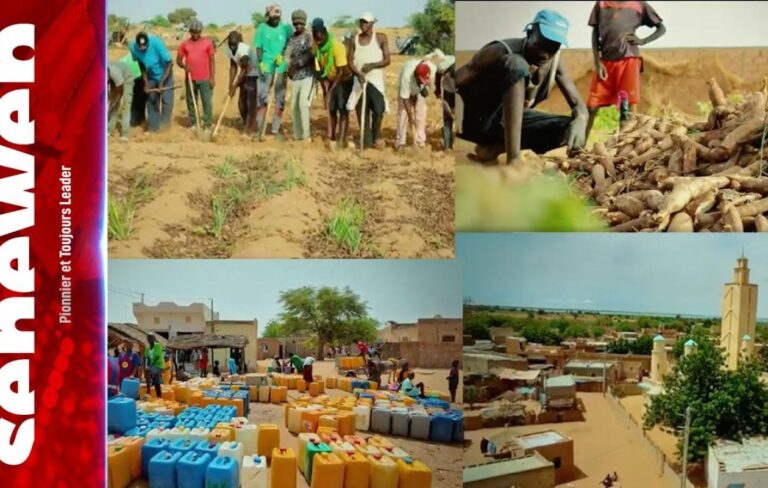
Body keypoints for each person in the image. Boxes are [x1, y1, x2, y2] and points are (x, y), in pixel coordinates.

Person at [456, 9, 588, 164]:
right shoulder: (500, 50)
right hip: (477, 123)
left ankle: (495, 149)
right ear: (529, 33)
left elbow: (579, 105)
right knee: (516, 64)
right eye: (541, 44)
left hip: (504, 128)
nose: (545, 54)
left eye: (553, 47)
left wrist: (580, 119)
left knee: (566, 127)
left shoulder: (554, 62)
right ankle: (513, 160)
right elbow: (457, 79)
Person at [586, 1, 665, 138]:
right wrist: (597, 62)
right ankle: (578, 146)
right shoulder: (601, 4)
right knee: (592, 106)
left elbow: (661, 28)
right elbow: (595, 33)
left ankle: (624, 149)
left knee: (626, 108)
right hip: (605, 62)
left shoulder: (639, 4)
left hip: (629, 60)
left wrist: (643, 41)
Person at [347, 12, 390, 149]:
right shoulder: (355, 40)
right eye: (361, 22)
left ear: (372, 23)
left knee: (378, 109)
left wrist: (372, 65)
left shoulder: (380, 38)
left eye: (365, 22)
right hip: (360, 82)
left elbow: (387, 60)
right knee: (362, 113)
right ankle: (367, 138)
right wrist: (357, 74)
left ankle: (376, 133)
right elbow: (350, 61)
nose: (363, 25)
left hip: (375, 81)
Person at [312, 17, 354, 149]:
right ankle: (331, 136)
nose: (318, 41)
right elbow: (319, 68)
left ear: (324, 34)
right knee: (330, 108)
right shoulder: (317, 47)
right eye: (316, 39)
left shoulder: (337, 47)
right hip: (330, 78)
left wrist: (330, 91)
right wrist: (325, 89)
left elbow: (341, 72)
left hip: (344, 79)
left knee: (342, 108)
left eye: (320, 38)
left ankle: (341, 139)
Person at [253, 4, 293, 136]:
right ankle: (260, 127)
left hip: (280, 68)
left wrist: (284, 56)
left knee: (279, 99)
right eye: (273, 17)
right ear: (268, 17)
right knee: (262, 97)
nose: (276, 20)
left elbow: (290, 44)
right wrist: (261, 62)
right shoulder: (262, 28)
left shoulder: (286, 28)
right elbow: (258, 47)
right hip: (266, 68)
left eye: (278, 17)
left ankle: (275, 128)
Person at [130, 32, 175, 132]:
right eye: (140, 47)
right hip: (151, 75)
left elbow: (170, 63)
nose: (142, 49)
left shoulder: (156, 43)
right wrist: (145, 82)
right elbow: (141, 65)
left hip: (165, 74)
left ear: (148, 43)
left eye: (145, 46)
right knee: (152, 101)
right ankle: (153, 128)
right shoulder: (132, 47)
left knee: (167, 102)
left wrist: (162, 81)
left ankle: (164, 128)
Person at [177, 19, 216, 130]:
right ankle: (194, 123)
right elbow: (179, 60)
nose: (195, 34)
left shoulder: (207, 43)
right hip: (190, 78)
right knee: (191, 101)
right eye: (193, 32)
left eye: (197, 32)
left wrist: (212, 77)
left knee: (206, 102)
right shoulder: (185, 44)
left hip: (205, 78)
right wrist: (184, 67)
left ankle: (207, 124)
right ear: (190, 31)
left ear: (201, 32)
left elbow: (212, 60)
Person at [286, 9, 315, 141]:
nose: (298, 26)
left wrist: (297, 63)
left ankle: (306, 135)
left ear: (304, 23)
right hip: (295, 77)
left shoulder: (309, 36)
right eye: (295, 24)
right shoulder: (292, 38)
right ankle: (297, 135)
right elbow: (287, 54)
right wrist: (286, 64)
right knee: (293, 106)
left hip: (308, 75)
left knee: (303, 104)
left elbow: (310, 54)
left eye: (300, 24)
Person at [227, 31, 261, 135]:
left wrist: (235, 86)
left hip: (253, 74)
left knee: (250, 103)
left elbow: (243, 69)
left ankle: (250, 128)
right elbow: (233, 66)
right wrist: (230, 85)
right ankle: (249, 124)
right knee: (241, 104)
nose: (232, 47)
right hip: (244, 75)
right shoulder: (229, 50)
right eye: (230, 44)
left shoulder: (243, 49)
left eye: (234, 45)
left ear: (239, 42)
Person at [396, 59, 434, 149]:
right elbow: (405, 99)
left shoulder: (431, 68)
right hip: (406, 89)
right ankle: (401, 142)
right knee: (403, 114)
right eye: (420, 80)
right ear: (415, 75)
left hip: (419, 89)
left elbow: (431, 86)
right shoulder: (406, 76)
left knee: (421, 114)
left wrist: (427, 87)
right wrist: (410, 117)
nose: (421, 81)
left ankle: (420, 141)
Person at [108, 60, 136, 141]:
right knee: (113, 106)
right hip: (114, 82)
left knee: (126, 105)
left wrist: (114, 103)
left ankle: (124, 133)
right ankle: (109, 130)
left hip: (127, 79)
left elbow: (119, 93)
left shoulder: (115, 73)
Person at [434, 50, 456, 150]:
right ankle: (447, 146)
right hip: (448, 91)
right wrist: (438, 90)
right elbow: (437, 77)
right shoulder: (443, 66)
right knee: (447, 118)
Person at [119, 53, 146, 127]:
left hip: (128, 79)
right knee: (140, 101)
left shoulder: (126, 58)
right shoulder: (142, 56)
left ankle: (133, 121)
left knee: (133, 102)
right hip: (137, 79)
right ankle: (139, 120)